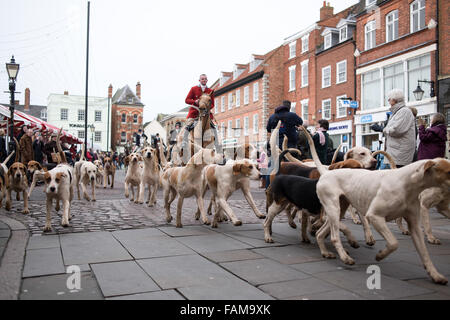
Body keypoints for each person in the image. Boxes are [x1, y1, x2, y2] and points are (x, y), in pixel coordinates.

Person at [371, 89, 415, 168]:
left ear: (395, 100)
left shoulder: (404, 111)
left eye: (389, 99)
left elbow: (396, 130)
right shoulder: (396, 112)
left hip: (399, 156)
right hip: (394, 154)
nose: (388, 101)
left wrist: (382, 129)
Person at [182, 74, 221, 153]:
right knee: (188, 125)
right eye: (202, 79)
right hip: (195, 113)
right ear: (199, 80)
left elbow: (212, 104)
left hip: (206, 114)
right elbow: (187, 100)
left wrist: (206, 107)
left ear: (207, 80)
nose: (204, 80)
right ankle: (184, 142)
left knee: (214, 127)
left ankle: (217, 145)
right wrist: (194, 101)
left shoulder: (210, 91)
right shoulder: (194, 89)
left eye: (205, 79)